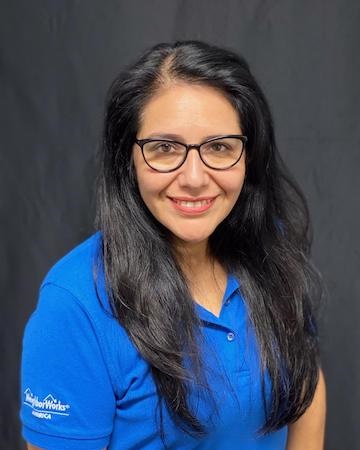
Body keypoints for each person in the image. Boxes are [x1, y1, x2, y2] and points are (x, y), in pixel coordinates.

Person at [20, 40, 326, 450]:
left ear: (248, 156)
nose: (195, 178)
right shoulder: (75, 305)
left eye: (219, 147)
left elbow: (305, 382)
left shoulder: (270, 251)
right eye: (165, 149)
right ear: (127, 159)